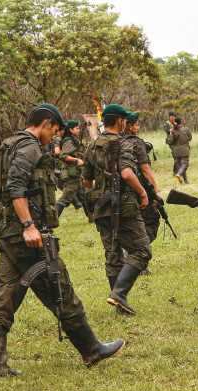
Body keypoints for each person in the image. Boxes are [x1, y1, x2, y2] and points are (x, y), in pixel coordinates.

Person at [0, 104, 123, 378]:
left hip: (9, 235)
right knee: (60, 289)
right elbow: (15, 187)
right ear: (45, 123)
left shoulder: (6, 147)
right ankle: (92, 349)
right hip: (29, 236)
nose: (55, 137)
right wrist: (28, 225)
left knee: (5, 296)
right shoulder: (30, 148)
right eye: (55, 131)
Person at [82, 104, 151, 315]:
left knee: (113, 254)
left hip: (101, 205)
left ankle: (119, 302)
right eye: (124, 120)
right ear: (120, 121)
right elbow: (127, 174)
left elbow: (86, 181)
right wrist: (143, 193)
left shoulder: (92, 146)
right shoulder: (123, 144)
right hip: (125, 205)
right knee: (142, 250)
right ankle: (119, 294)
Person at [124, 112, 162, 247]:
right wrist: (156, 190)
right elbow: (145, 169)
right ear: (129, 126)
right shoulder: (137, 143)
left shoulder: (116, 141)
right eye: (136, 124)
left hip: (120, 192)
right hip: (140, 188)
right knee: (151, 220)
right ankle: (138, 251)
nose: (138, 127)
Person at [56, 120, 87, 216]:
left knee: (83, 196)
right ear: (71, 130)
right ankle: (52, 220)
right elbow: (63, 156)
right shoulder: (68, 141)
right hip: (71, 174)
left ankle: (92, 218)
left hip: (76, 173)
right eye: (77, 128)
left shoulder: (73, 139)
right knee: (65, 198)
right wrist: (76, 160)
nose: (79, 130)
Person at [166, 117, 192, 184]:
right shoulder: (186, 129)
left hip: (176, 151)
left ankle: (185, 181)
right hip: (185, 150)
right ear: (181, 122)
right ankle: (179, 174)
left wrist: (170, 134)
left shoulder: (173, 130)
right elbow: (190, 138)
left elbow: (170, 141)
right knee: (185, 164)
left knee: (180, 165)